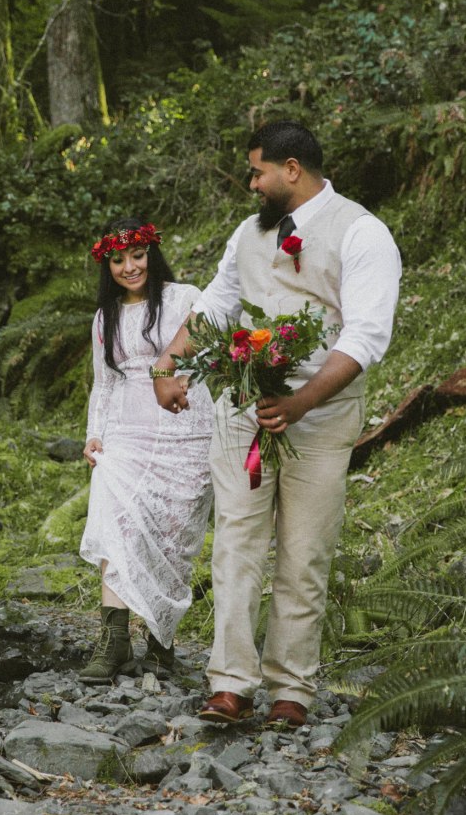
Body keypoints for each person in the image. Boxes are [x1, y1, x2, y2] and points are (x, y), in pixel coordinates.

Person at [152, 121, 401, 727]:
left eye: (257, 171)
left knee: (304, 552)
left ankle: (292, 689)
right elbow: (216, 303)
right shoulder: (247, 233)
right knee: (236, 545)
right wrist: (170, 362)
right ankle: (230, 683)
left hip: (320, 417)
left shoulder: (363, 233)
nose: (251, 183)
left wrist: (300, 405)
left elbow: (367, 336)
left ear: (292, 169)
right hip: (242, 408)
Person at [78, 218, 213, 683]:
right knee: (116, 520)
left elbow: (209, 356)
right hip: (126, 431)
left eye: (137, 256)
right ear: (107, 265)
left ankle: (162, 644)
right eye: (118, 260)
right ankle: (114, 641)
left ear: (151, 254)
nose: (129, 267)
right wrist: (96, 434)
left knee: (174, 534)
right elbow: (104, 383)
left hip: (184, 425)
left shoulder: (184, 298)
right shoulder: (105, 317)